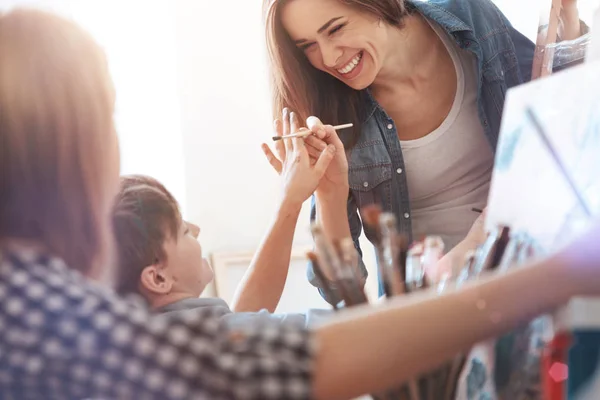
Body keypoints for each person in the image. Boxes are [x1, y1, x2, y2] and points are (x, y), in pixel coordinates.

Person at [1, 7, 600, 400]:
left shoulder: (57, 305)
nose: (328, 55)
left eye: (335, 28)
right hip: (467, 313)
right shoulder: (55, 322)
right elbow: (307, 347)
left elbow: (241, 323)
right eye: (108, 116)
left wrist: (293, 205)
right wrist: (551, 277)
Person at [261, 0, 589, 303]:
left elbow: (556, 109)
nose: (329, 58)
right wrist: (327, 192)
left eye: (335, 29)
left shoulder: (467, 19)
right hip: (434, 317)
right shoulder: (331, 112)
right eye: (308, 46)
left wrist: (569, 23)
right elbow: (339, 291)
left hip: (537, 274)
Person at [112, 174, 330, 328]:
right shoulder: (221, 339)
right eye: (184, 230)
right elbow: (352, 336)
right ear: (158, 278)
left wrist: (290, 200)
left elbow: (241, 322)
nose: (197, 230)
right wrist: (332, 192)